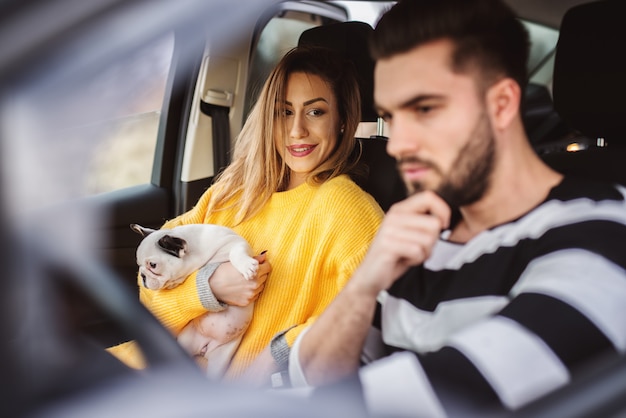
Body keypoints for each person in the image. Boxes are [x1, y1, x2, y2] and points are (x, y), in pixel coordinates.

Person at [287, 0, 626, 416]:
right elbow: (312, 374)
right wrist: (363, 284)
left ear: (501, 104)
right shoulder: (420, 239)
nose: (397, 145)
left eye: (425, 109)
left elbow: (436, 403)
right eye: (391, 116)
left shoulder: (603, 239)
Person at [108, 45, 384, 382]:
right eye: (284, 112)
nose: (296, 130)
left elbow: (356, 321)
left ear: (342, 121)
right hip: (145, 364)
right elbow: (149, 293)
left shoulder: (350, 210)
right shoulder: (233, 192)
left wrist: (270, 360)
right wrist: (208, 288)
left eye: (315, 112)